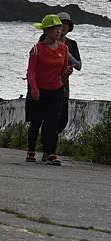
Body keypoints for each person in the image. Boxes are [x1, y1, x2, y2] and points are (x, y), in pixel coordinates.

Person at [25, 14, 71, 166]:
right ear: (46, 31)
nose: (58, 31)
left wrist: (67, 73)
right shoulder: (37, 49)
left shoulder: (64, 49)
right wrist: (34, 89)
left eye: (59, 28)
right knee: (36, 121)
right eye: (54, 28)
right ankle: (31, 150)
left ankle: (50, 153)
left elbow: (63, 69)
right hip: (39, 91)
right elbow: (31, 71)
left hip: (56, 90)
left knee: (52, 123)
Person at [56, 12, 82, 134]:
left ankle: (50, 146)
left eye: (67, 24)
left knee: (62, 120)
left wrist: (67, 54)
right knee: (47, 118)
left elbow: (79, 66)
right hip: (46, 83)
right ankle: (48, 148)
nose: (64, 27)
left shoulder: (72, 44)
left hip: (64, 86)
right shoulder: (47, 41)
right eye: (61, 24)